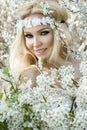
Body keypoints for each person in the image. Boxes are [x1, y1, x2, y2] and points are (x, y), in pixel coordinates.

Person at [9, 0, 80, 86]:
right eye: (29, 36)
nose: (36, 44)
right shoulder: (29, 77)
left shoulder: (82, 67)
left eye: (44, 33)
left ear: (60, 32)